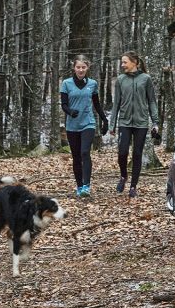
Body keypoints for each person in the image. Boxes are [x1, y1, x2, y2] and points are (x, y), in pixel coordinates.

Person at [109, 51, 159, 198]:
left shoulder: (146, 79)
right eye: (122, 62)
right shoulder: (120, 80)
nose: (122, 65)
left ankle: (133, 187)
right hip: (124, 122)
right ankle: (123, 176)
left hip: (141, 123)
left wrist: (155, 122)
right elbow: (116, 103)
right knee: (122, 152)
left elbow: (151, 101)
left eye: (125, 62)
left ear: (134, 62)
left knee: (137, 154)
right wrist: (112, 125)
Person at [60, 55, 108, 197]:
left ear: (87, 68)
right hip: (72, 125)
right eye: (78, 67)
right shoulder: (66, 84)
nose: (81, 70)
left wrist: (104, 119)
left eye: (83, 67)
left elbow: (96, 103)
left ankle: (86, 185)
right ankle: (79, 186)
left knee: (85, 152)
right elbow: (63, 104)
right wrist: (69, 111)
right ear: (74, 68)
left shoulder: (92, 84)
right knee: (76, 156)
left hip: (88, 122)